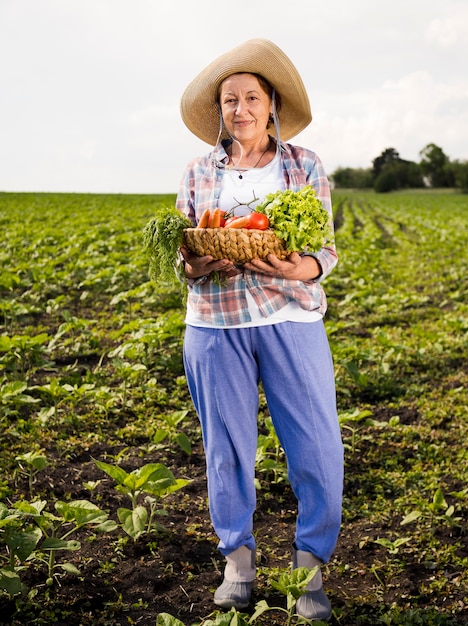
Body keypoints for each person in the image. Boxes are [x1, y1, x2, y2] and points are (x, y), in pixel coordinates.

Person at [176, 38, 343, 621]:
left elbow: (323, 249)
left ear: (271, 105)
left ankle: (309, 571)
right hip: (215, 326)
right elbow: (187, 258)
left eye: (251, 98)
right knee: (226, 449)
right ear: (219, 111)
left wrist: (299, 266)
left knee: (318, 447)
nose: (240, 109)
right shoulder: (200, 171)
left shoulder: (304, 166)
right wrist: (197, 263)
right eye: (229, 101)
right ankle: (238, 563)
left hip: (290, 317)